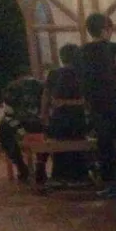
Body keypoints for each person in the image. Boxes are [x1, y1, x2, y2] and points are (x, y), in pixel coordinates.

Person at [80, 13, 116, 198]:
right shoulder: (115, 49)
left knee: (105, 145)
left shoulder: (83, 52)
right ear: (105, 29)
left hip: (97, 105)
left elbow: (83, 81)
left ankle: (110, 184)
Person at [41, 44, 92, 184]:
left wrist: (44, 114)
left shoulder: (54, 73)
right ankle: (80, 177)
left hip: (59, 118)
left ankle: (60, 177)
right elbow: (87, 99)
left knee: (60, 148)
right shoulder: (83, 74)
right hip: (77, 117)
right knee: (78, 147)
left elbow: (46, 96)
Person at [0, 76, 45, 185]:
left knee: (47, 131)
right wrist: (22, 133)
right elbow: (9, 116)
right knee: (3, 128)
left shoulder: (42, 88)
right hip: (21, 121)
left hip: (37, 121)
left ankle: (39, 164)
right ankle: (21, 165)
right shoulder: (12, 90)